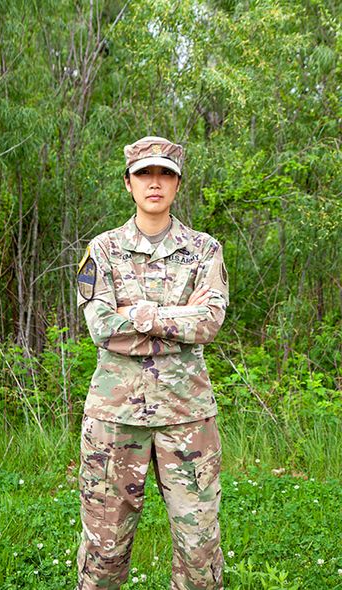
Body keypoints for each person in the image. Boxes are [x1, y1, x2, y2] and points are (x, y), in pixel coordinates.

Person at [75, 136, 229, 589]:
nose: (155, 183)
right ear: (128, 183)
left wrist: (139, 315)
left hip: (187, 417)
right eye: (145, 174)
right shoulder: (102, 249)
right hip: (115, 418)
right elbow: (102, 326)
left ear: (177, 184)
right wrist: (177, 317)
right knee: (104, 548)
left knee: (199, 548)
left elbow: (209, 323)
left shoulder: (204, 249)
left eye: (165, 174)